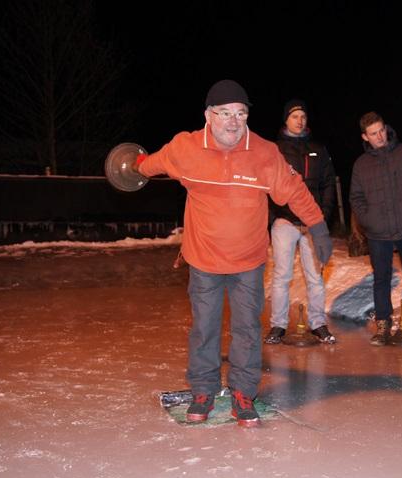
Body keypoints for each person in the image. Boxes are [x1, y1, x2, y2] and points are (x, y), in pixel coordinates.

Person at [132, 80, 332, 426]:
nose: (233, 121)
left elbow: (293, 189)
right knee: (205, 328)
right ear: (208, 115)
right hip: (204, 259)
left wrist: (317, 225)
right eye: (225, 113)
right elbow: (154, 163)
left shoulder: (265, 153)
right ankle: (203, 390)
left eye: (240, 113)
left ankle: (243, 392)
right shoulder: (186, 147)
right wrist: (135, 165)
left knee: (247, 330)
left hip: (248, 261)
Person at [349, 111, 402, 346]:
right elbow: (356, 197)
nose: (379, 136)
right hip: (378, 233)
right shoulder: (361, 164)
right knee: (381, 279)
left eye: (381, 130)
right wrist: (369, 220)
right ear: (365, 137)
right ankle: (383, 324)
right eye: (373, 133)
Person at [265, 99, 337, 345]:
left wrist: (323, 215)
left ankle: (318, 324)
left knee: (315, 277)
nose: (300, 120)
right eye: (294, 116)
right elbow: (267, 185)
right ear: (286, 120)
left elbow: (328, 184)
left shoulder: (318, 148)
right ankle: (278, 325)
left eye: (303, 116)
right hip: (285, 222)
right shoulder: (275, 149)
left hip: (312, 223)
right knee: (281, 276)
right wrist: (274, 216)